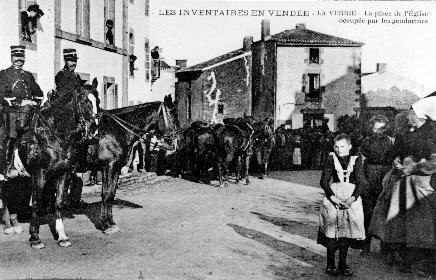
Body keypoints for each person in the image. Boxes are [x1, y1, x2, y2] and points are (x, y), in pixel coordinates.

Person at [369, 97, 436, 275]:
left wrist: (413, 167)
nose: (408, 116)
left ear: (421, 116)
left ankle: (423, 264)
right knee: (399, 222)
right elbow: (396, 152)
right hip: (403, 182)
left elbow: (434, 161)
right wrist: (396, 161)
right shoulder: (406, 133)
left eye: (412, 113)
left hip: (423, 184)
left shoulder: (432, 134)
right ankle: (402, 257)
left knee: (421, 227)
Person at [317, 133, 367, 276]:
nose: (339, 150)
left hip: (350, 197)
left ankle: (343, 263)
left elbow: (361, 181)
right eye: (336, 147)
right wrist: (333, 197)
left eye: (342, 147)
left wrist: (353, 198)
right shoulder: (331, 158)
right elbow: (324, 181)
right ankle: (330, 263)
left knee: (346, 232)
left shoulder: (356, 159)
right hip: (335, 196)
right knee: (332, 232)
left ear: (350, 147)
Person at [0, 45, 43, 180]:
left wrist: (34, 102)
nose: (19, 59)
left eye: (21, 56)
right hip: (11, 111)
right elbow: (2, 96)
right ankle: (7, 167)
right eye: (16, 56)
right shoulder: (4, 74)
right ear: (12, 57)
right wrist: (21, 103)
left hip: (29, 112)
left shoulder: (28, 76)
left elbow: (39, 94)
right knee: (12, 134)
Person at [54, 48, 86, 209]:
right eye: (70, 60)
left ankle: (75, 198)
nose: (73, 63)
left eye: (75, 61)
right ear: (65, 61)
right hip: (65, 116)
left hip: (76, 116)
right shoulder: (61, 75)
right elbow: (63, 97)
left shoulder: (77, 76)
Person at [359, 115, 393, 254]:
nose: (378, 132)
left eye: (382, 129)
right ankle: (366, 243)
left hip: (385, 175)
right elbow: (361, 162)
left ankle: (385, 244)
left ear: (386, 128)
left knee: (385, 210)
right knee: (367, 211)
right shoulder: (366, 142)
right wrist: (363, 181)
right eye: (376, 128)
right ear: (371, 128)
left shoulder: (391, 142)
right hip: (370, 174)